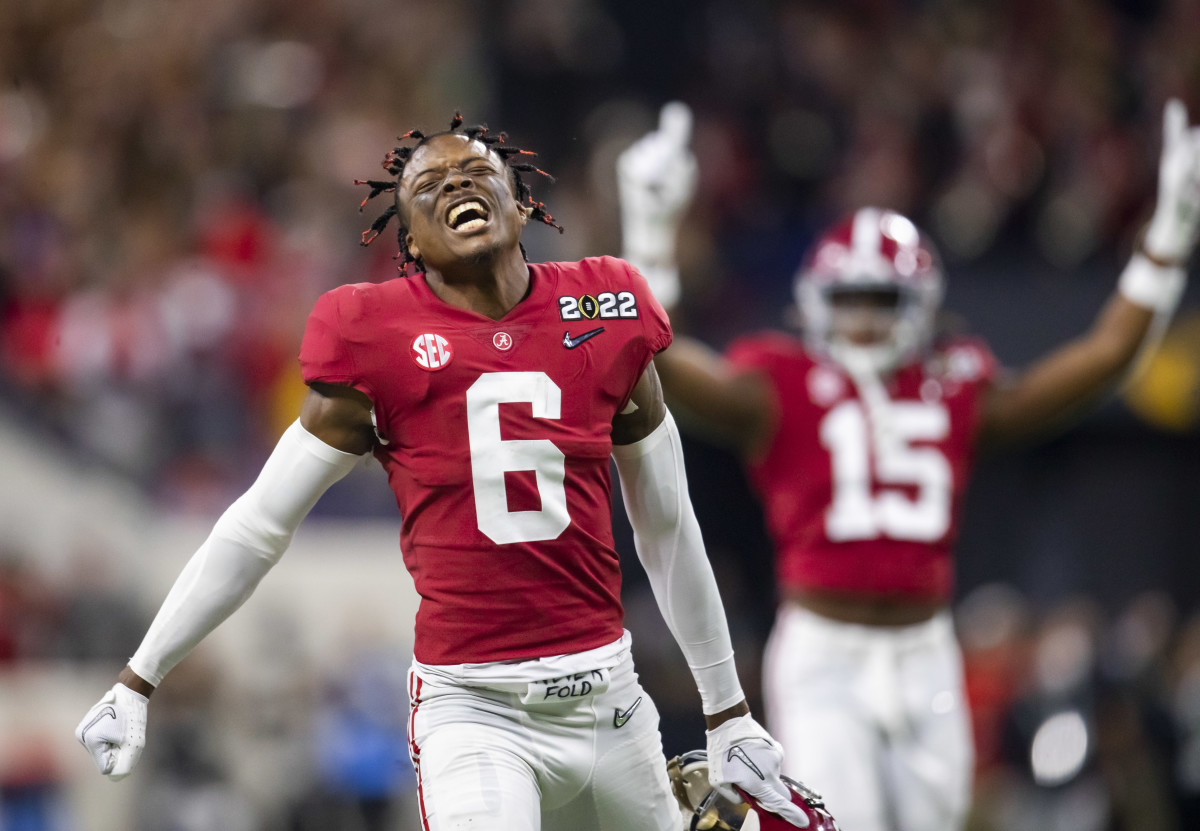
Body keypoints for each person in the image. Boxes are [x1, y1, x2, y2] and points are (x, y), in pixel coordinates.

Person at [74, 115, 815, 831]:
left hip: (607, 697)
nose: (456, 185)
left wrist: (729, 710)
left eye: (475, 172)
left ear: (521, 202)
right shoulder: (375, 336)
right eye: (429, 186)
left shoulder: (605, 307)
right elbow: (260, 523)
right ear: (412, 243)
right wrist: (139, 676)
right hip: (474, 710)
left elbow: (668, 525)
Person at [617, 100, 1200, 831]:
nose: (864, 320)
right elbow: (651, 358)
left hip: (926, 648)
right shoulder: (778, 384)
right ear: (817, 303)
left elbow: (1102, 361)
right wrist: (650, 235)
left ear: (920, 305)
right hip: (824, 652)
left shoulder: (958, 385)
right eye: (850, 300)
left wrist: (1168, 237)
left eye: (882, 300)